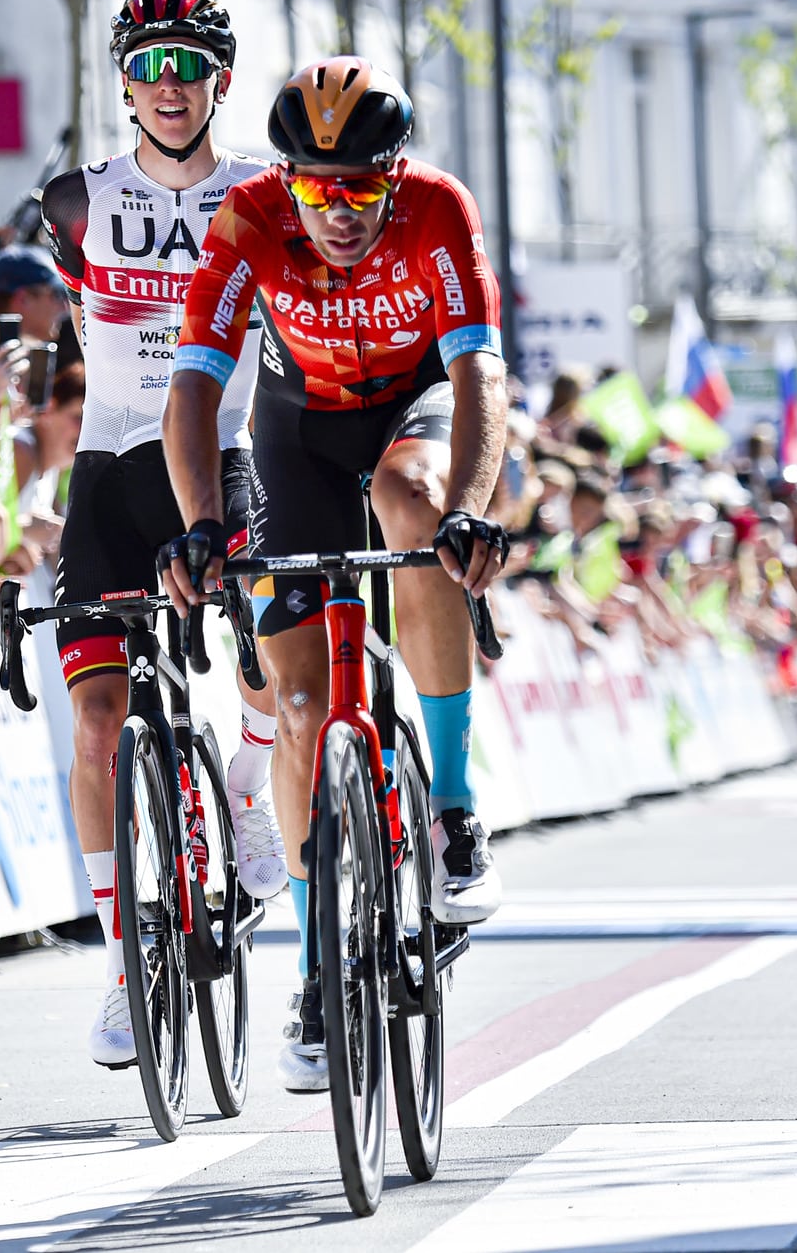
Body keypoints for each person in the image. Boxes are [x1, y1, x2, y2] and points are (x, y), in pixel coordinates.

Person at [161, 56, 511, 1091]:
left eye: (359, 190)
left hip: (413, 409)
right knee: (301, 705)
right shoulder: (249, 218)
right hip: (300, 431)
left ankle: (452, 809)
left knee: (414, 505)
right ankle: (319, 969)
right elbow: (194, 385)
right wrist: (199, 524)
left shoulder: (438, 208)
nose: (338, 213)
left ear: (392, 178)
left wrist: (470, 505)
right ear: (288, 181)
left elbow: (478, 370)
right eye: (318, 191)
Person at [38, 0, 285, 1070]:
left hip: (224, 455)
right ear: (125, 85)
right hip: (109, 468)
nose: (168, 85)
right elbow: (79, 326)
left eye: (188, 67)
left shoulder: (264, 191)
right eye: (148, 67)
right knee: (96, 724)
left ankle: (246, 792)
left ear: (219, 82)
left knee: (271, 643)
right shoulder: (73, 201)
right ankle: (119, 966)